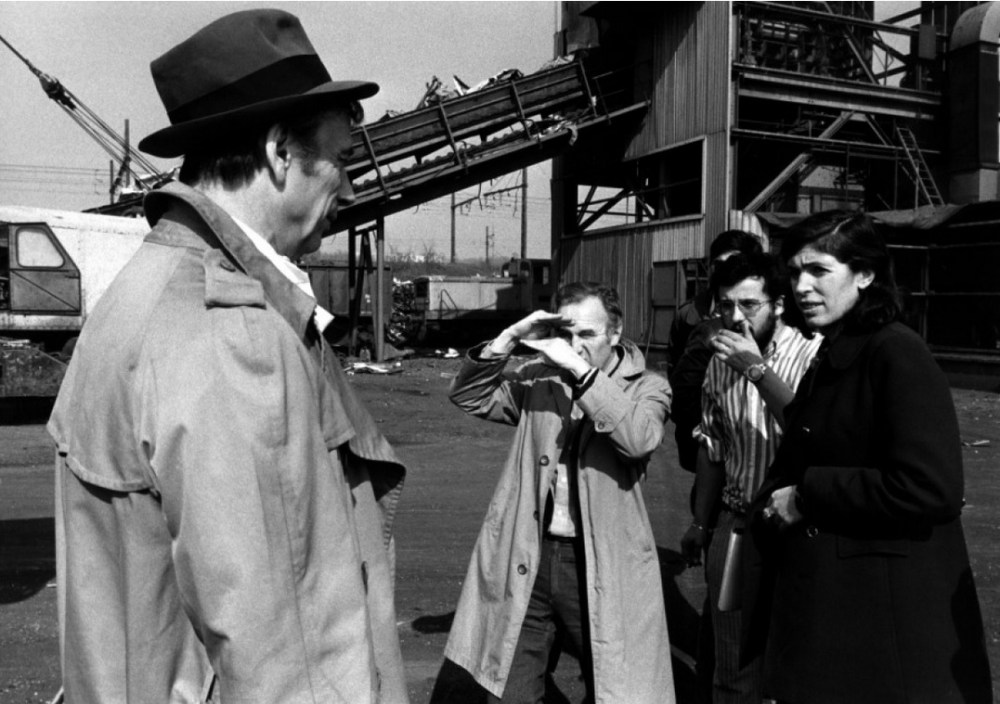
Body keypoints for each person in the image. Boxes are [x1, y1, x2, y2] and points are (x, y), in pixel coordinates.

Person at [47, 10, 408, 703]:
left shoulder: (137, 295)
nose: (351, 186)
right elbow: (289, 660)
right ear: (278, 152)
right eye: (341, 159)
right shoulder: (236, 339)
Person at [747, 210, 993, 704]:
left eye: (819, 270)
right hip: (837, 614)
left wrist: (806, 495)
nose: (802, 286)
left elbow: (931, 488)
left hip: (879, 632)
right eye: (794, 272)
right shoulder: (834, 353)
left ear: (865, 274)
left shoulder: (895, 352)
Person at [444, 282, 676, 703]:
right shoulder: (540, 378)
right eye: (566, 335)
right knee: (510, 683)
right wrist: (509, 339)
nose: (574, 347)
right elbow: (469, 395)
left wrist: (583, 375)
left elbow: (639, 439)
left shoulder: (648, 386)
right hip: (531, 554)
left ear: (614, 333)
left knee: (614, 681)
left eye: (587, 335)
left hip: (600, 559)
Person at [680, 253, 822, 704]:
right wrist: (701, 524)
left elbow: (813, 437)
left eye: (749, 304)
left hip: (801, 528)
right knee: (733, 665)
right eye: (725, 306)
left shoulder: (813, 355)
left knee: (800, 661)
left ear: (778, 304)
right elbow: (713, 448)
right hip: (737, 525)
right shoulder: (718, 363)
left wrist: (756, 370)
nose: (735, 317)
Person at [669, 230, 763, 473]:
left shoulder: (764, 317)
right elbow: (677, 372)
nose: (724, 270)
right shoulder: (688, 313)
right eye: (718, 264)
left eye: (733, 262)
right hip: (700, 427)